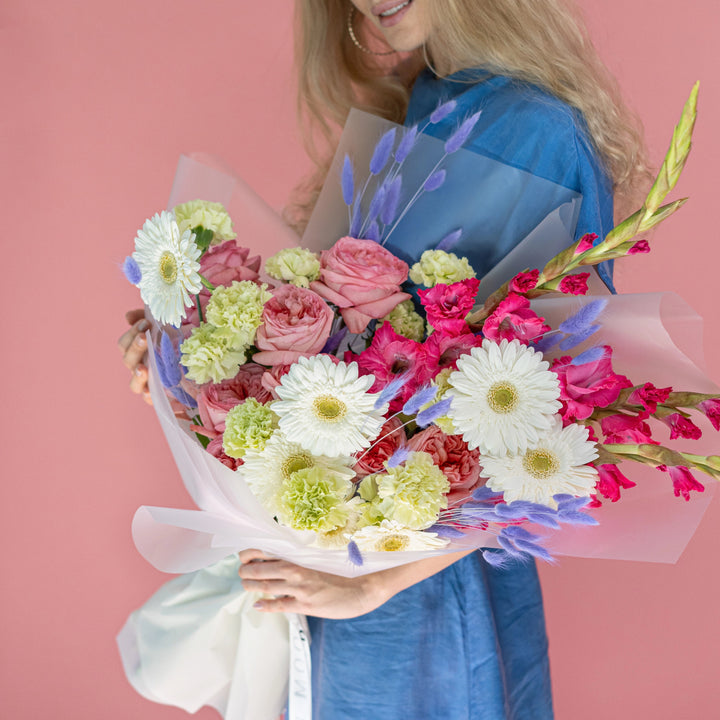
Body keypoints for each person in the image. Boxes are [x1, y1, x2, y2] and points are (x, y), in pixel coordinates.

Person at [119, 1, 648, 717]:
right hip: (334, 565)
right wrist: (199, 365)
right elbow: (340, 357)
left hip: (430, 588)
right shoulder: (414, 107)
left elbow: (556, 421)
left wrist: (375, 585)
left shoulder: (539, 130)